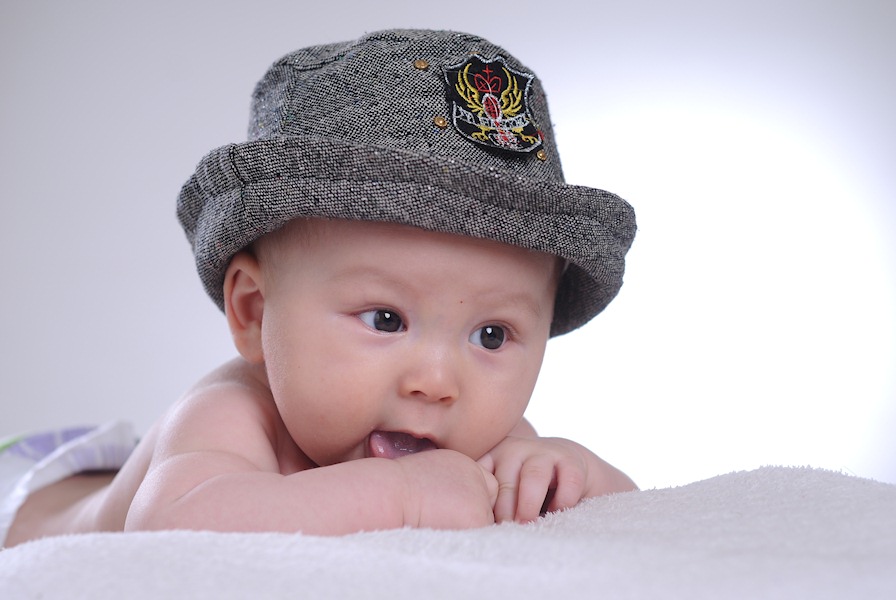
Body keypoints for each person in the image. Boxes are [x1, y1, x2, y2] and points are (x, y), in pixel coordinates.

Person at [1, 28, 637, 547]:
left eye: (491, 335)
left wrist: (575, 470)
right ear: (254, 311)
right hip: (29, 498)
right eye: (385, 319)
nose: (437, 382)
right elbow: (169, 525)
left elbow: (633, 515)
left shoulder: (486, 433)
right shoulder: (232, 413)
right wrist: (404, 496)